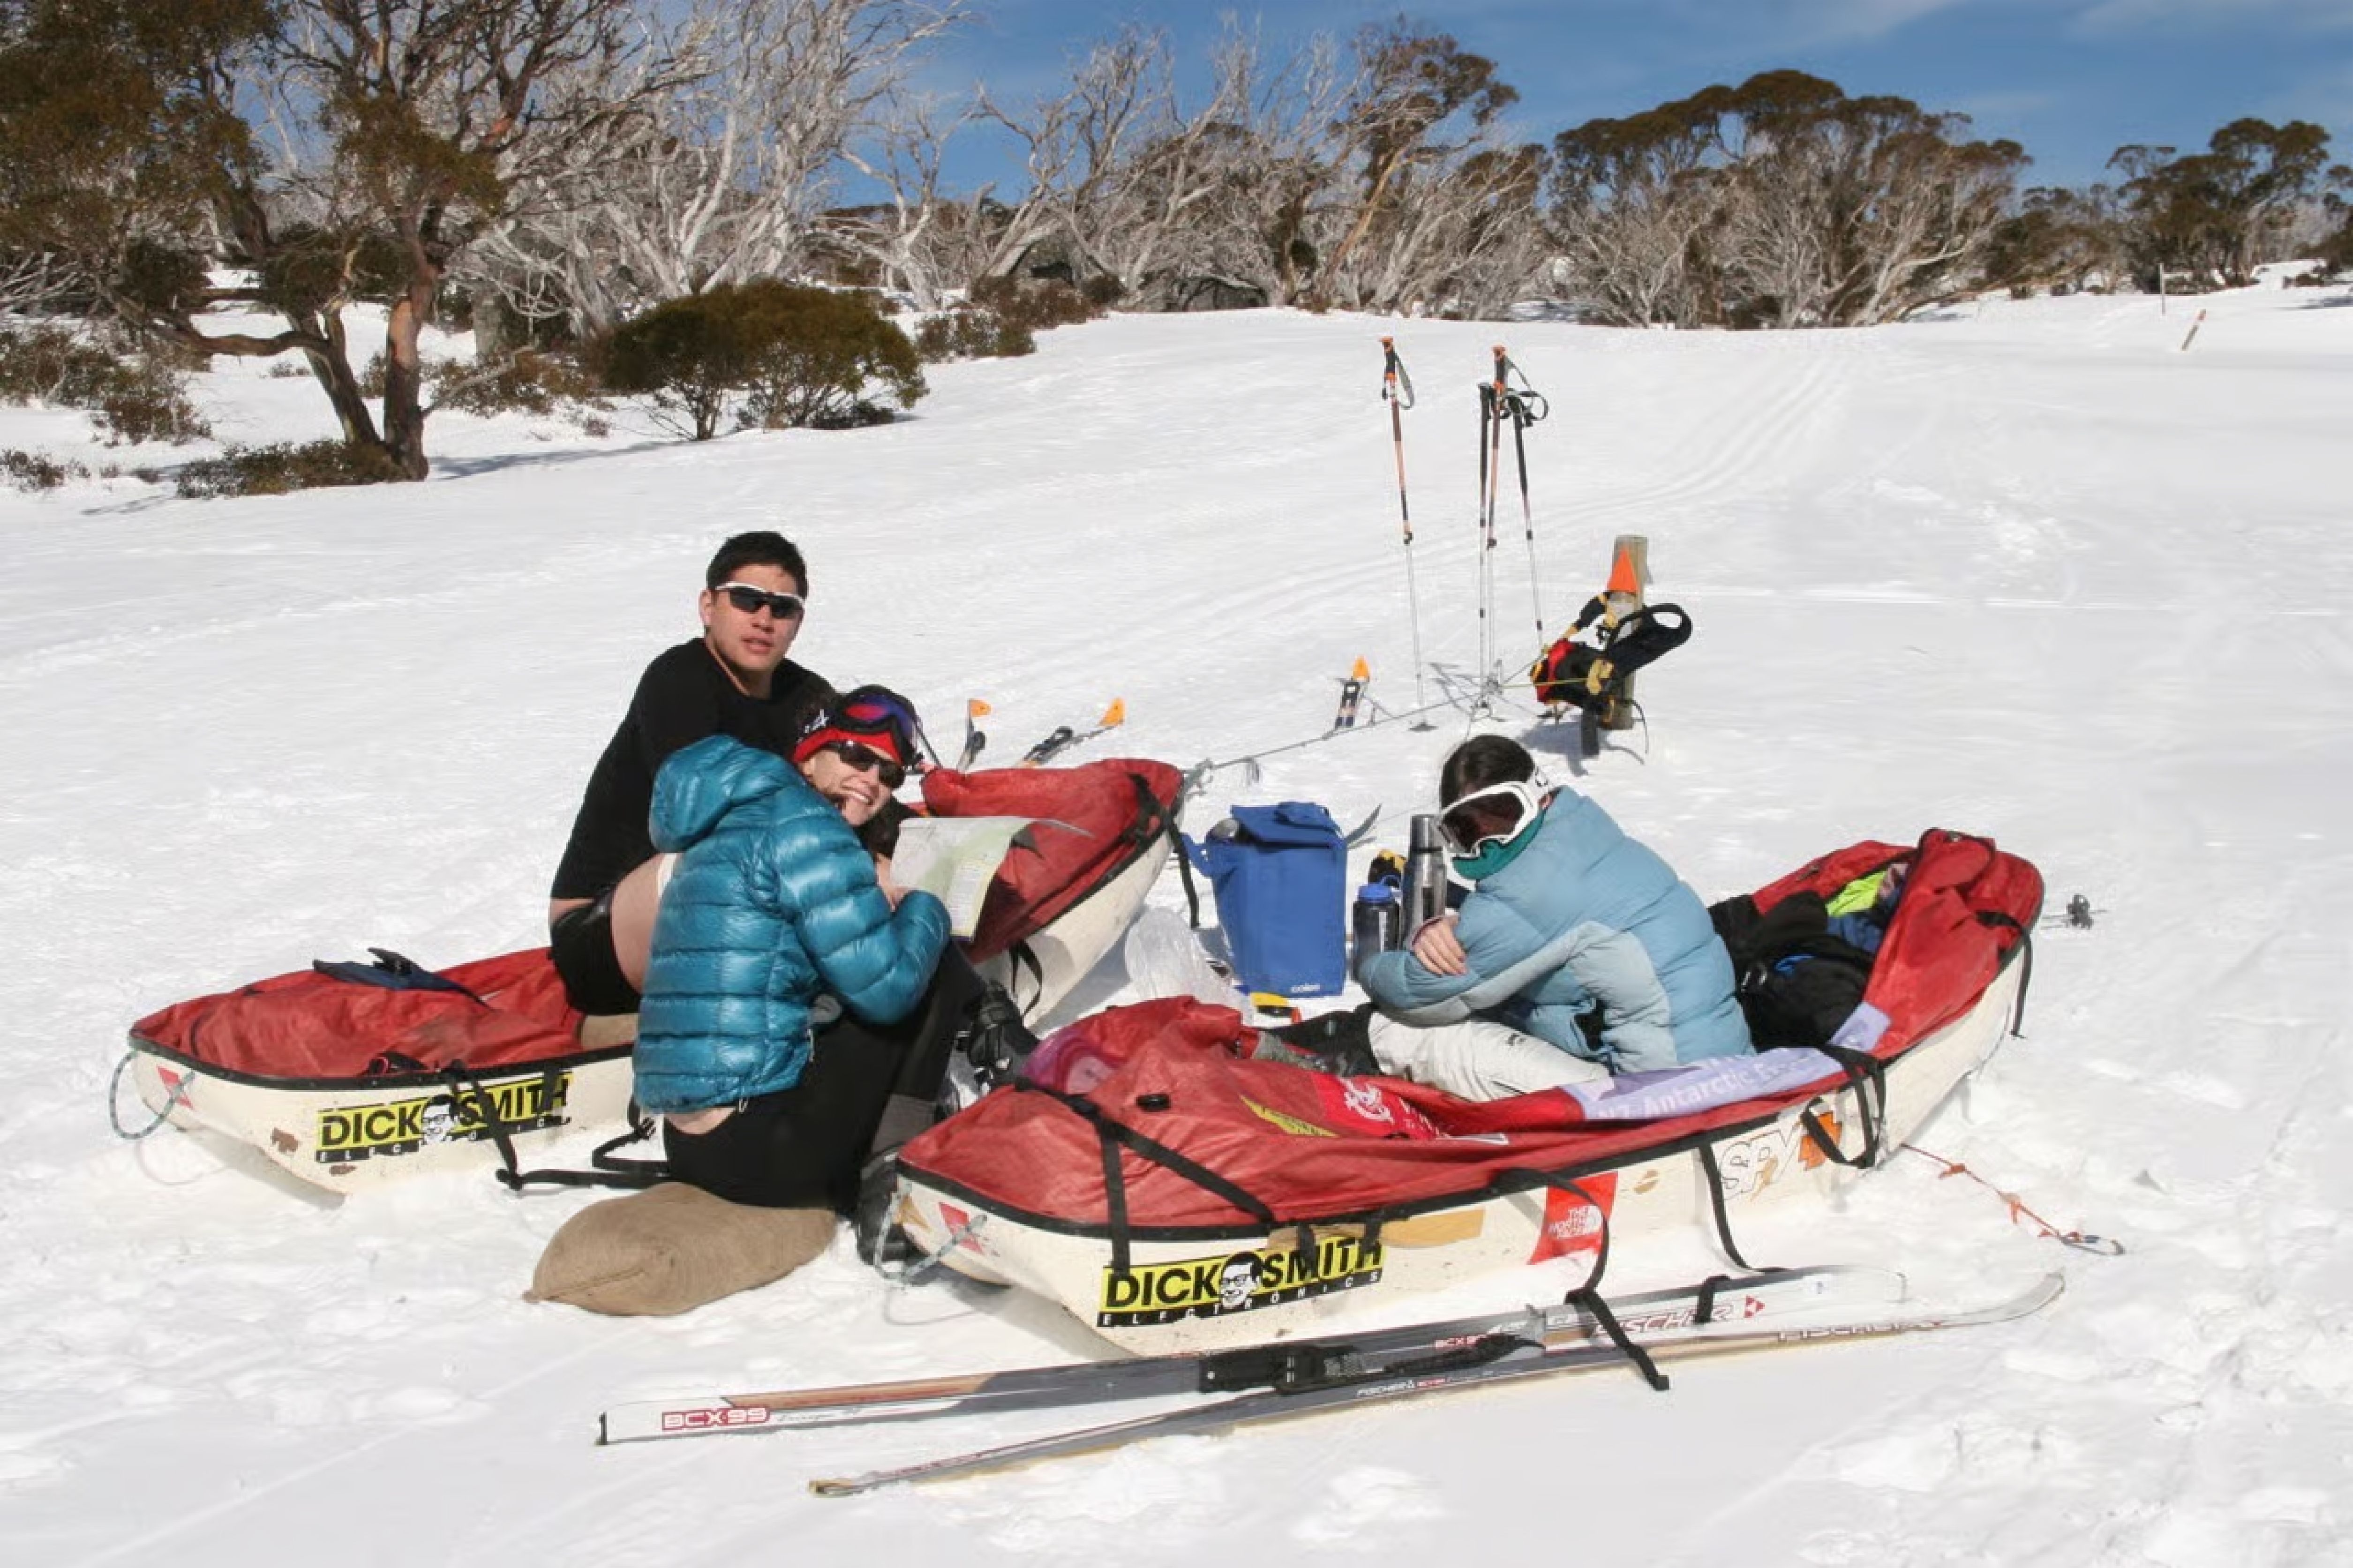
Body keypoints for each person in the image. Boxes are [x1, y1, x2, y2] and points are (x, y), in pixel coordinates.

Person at [631, 688, 992, 1223]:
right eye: (857, 754)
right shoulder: (811, 830)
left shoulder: (735, 814)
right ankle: (894, 1168)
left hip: (690, 1146)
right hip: (767, 1156)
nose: (872, 781)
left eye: (890, 775)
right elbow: (889, 992)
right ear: (810, 753)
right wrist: (925, 903)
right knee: (925, 967)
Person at [1323, 735, 1751, 1098]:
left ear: (1538, 794)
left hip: (1663, 1097)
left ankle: (1316, 1089)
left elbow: (1418, 997)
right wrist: (1456, 927)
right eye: (1467, 830)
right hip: (1714, 1069)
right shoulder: (1581, 839)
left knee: (1405, 1034)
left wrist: (1368, 964)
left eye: (1502, 814)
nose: (1489, 841)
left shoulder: (1537, 886)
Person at [547, 531, 839, 1016]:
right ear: (709, 606)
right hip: (599, 934)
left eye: (782, 608)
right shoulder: (678, 679)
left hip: (709, 921)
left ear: (797, 622)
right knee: (735, 844)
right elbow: (699, 806)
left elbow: (855, 776)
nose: (764, 619)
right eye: (747, 600)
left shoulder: (807, 695)